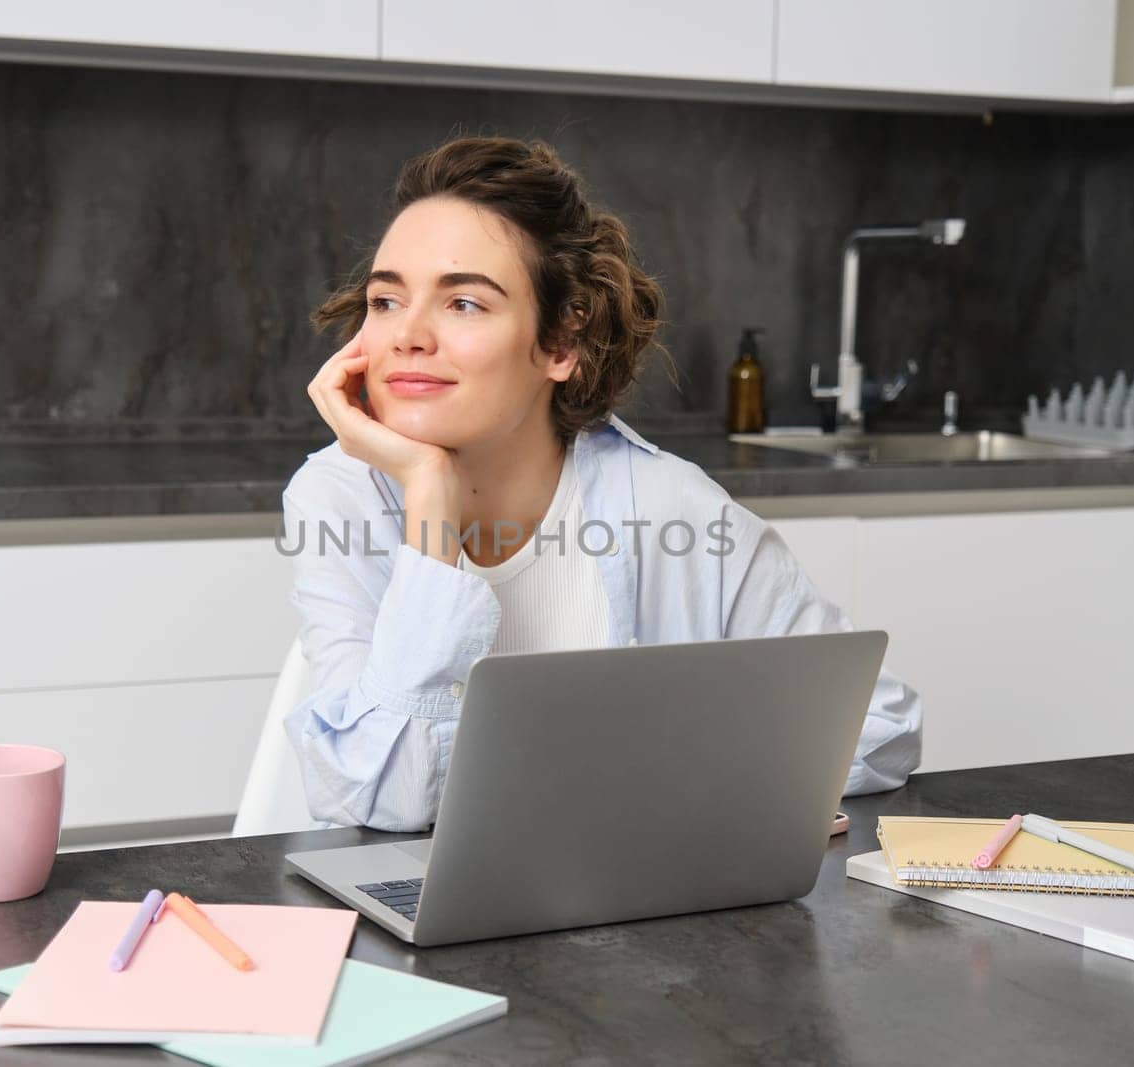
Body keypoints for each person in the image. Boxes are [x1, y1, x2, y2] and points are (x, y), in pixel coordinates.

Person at [280, 136, 921, 832]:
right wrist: (428, 489)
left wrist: (675, 785)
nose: (407, 334)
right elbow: (382, 800)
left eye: (463, 303)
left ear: (561, 343)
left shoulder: (673, 508)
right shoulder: (339, 498)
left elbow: (881, 726)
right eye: (385, 300)